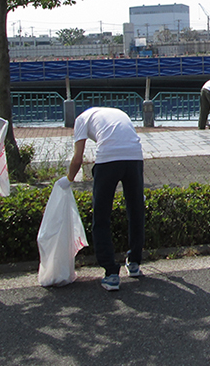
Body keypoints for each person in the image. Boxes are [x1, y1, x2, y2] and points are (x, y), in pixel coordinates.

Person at [66, 107, 145, 291]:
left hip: (108, 159)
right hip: (135, 157)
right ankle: (134, 263)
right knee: (136, 210)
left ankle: (111, 274)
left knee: (101, 216)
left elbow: (78, 159)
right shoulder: (117, 113)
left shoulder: (81, 120)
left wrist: (67, 180)